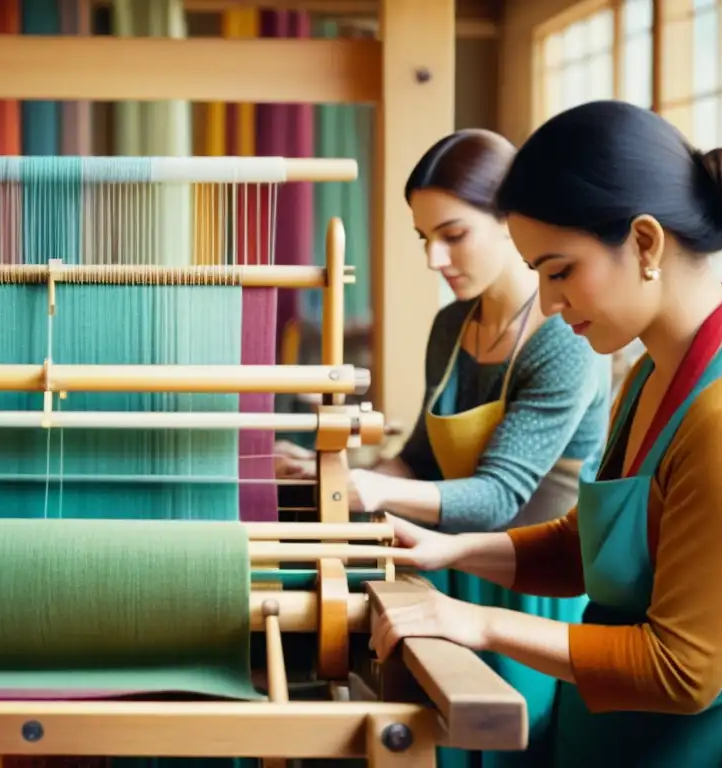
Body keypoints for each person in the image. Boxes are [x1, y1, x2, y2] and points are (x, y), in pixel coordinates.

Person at [370, 100, 722, 768]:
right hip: (625, 734)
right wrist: (449, 553)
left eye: (560, 270)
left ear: (647, 244)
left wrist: (479, 620)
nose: (546, 301)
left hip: (720, 742)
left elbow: (681, 669)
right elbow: (588, 544)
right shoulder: (656, 370)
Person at [277, 129, 611, 767]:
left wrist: (371, 489)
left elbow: (495, 498)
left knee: (505, 742)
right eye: (424, 239)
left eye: (453, 235)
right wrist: (342, 472)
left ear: (511, 222)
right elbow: (423, 462)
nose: (435, 258)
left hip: (529, 586)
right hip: (441, 567)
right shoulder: (452, 325)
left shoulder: (563, 339)